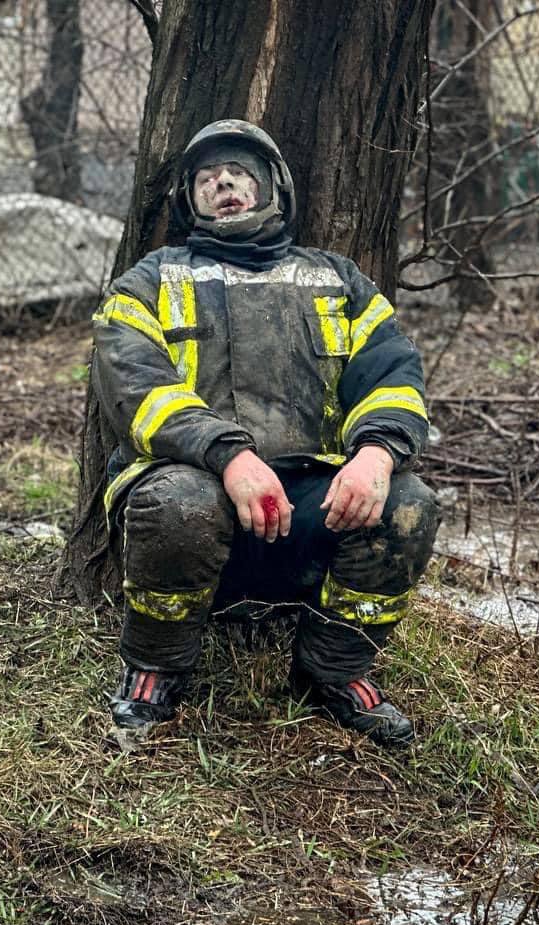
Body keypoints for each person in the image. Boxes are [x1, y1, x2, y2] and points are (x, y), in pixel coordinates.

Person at [90, 119, 440, 748]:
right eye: (207, 178)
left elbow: (392, 374)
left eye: (239, 173)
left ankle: (334, 670)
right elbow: (133, 386)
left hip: (314, 507)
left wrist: (377, 454)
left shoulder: (338, 280)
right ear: (187, 199)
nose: (223, 184)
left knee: (409, 506)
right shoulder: (149, 282)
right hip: (197, 491)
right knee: (177, 504)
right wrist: (228, 455)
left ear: (273, 187)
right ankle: (156, 665)